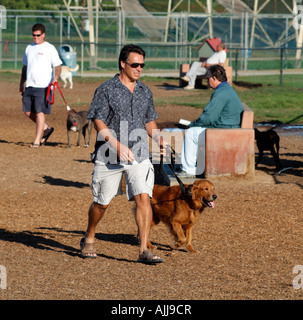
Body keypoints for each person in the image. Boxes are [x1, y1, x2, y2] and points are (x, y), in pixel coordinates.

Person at [80, 44, 166, 264]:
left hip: (139, 154)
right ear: (123, 63)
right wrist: (117, 145)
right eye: (135, 64)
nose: (139, 69)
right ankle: (89, 236)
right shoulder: (106, 89)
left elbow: (148, 119)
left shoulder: (145, 91)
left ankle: (143, 249)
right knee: (102, 203)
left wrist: (157, 137)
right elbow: (98, 120)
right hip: (110, 155)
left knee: (143, 199)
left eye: (142, 65)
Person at [173, 65, 243, 178]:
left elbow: (208, 117)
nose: (206, 81)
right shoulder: (225, 89)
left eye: (207, 78)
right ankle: (193, 166)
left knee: (191, 133)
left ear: (214, 78)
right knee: (195, 131)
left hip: (225, 132)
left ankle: (189, 170)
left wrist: (191, 125)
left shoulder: (220, 93)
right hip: (229, 129)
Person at [19, 23, 62, 148]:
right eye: (33, 35)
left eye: (38, 35)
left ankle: (37, 140)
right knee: (27, 111)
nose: (35, 37)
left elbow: (57, 65)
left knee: (39, 112)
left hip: (43, 86)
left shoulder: (49, 48)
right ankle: (46, 128)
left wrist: (56, 78)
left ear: (43, 35)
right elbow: (24, 67)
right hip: (30, 84)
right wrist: (21, 84)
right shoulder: (29, 48)